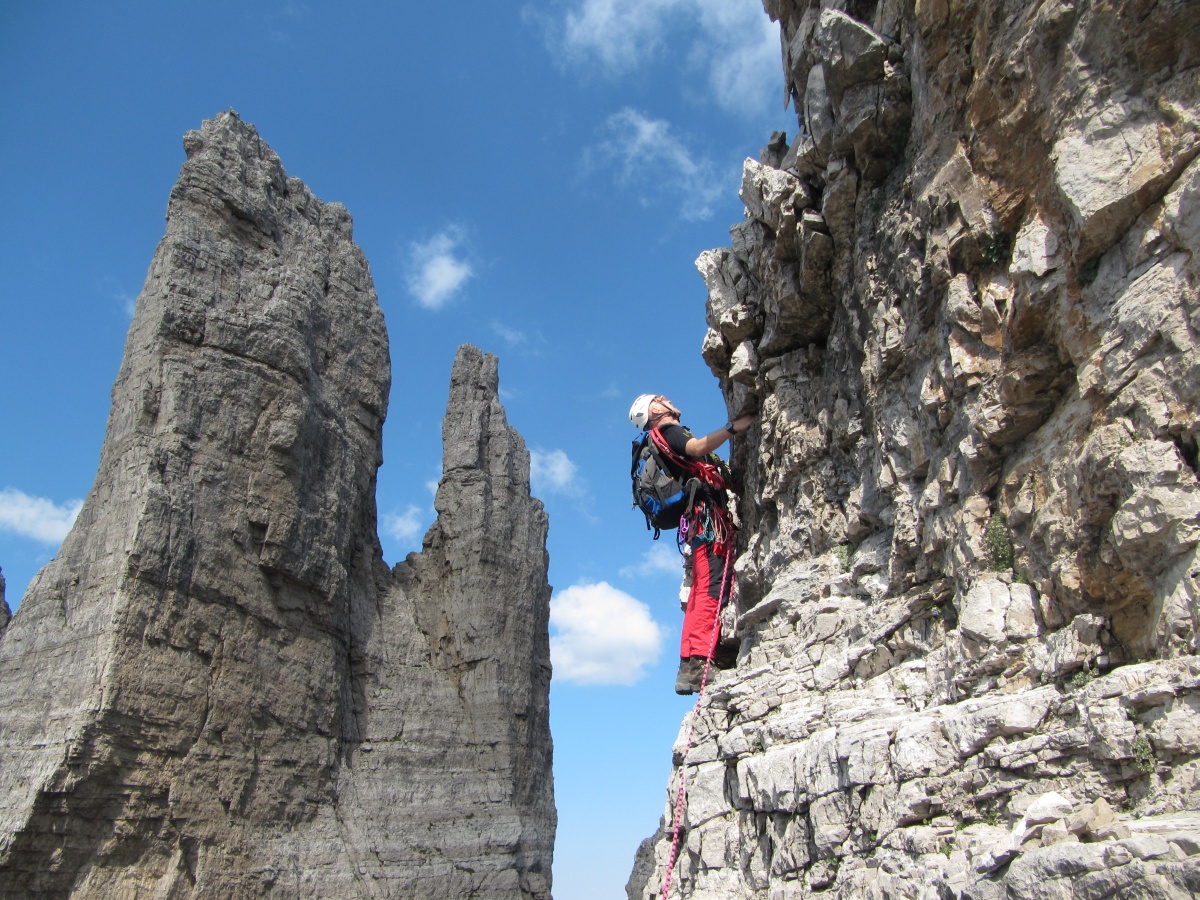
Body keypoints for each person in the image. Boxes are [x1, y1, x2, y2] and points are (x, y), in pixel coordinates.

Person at [628, 394, 755, 694]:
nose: (669, 400)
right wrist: (734, 428)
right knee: (710, 587)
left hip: (698, 524)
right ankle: (698, 661)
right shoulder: (670, 431)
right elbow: (697, 448)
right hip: (707, 521)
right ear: (656, 410)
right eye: (661, 399)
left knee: (701, 589)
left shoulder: (656, 439)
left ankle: (693, 660)